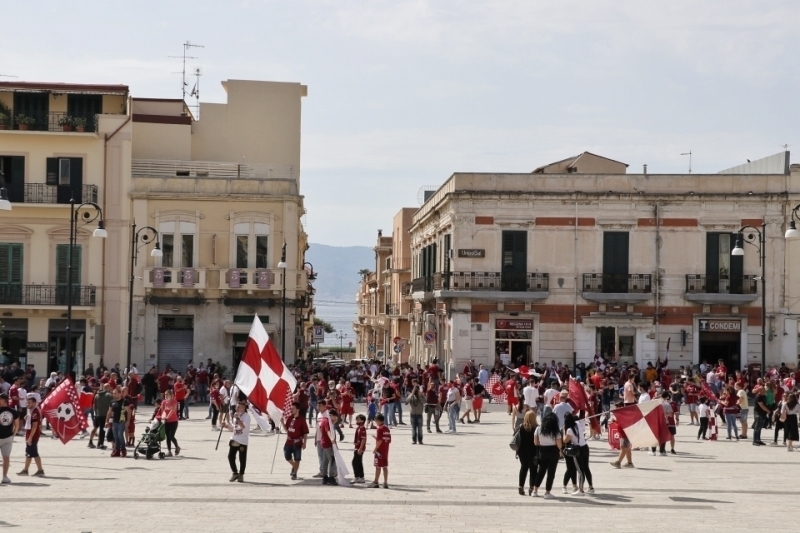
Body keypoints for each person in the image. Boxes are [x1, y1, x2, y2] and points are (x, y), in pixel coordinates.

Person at [533, 412, 562, 498]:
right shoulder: (556, 431)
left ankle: (535, 490)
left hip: (543, 451)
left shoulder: (538, 429)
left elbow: (536, 442)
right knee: (551, 472)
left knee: (541, 471)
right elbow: (559, 445)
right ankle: (547, 492)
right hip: (553, 451)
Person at [563, 412, 594, 495]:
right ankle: (590, 487)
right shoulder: (578, 424)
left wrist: (563, 432)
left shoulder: (569, 430)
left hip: (578, 450)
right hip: (585, 447)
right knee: (586, 467)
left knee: (580, 470)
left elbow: (565, 440)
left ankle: (581, 489)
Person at [17, 394, 44, 477]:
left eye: (29, 403)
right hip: (30, 435)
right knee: (29, 454)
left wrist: (30, 438)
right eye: (27, 402)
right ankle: (25, 470)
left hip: (33, 436)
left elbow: (35, 426)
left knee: (34, 453)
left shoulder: (35, 412)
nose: (28, 404)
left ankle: (40, 470)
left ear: (34, 403)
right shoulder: (32, 411)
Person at [224, 401, 250, 482]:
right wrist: (226, 426)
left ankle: (241, 474)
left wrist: (238, 418)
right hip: (234, 439)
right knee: (230, 456)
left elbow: (243, 427)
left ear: (244, 408)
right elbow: (234, 428)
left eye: (239, 407)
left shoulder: (246, 417)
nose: (237, 408)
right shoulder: (235, 415)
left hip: (242, 441)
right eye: (236, 407)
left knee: (242, 458)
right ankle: (235, 472)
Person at [283, 402, 309, 480]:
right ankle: (294, 466)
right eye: (291, 408)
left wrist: (304, 443)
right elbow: (286, 429)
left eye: (293, 409)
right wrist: (281, 422)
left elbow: (305, 433)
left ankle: (294, 473)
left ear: (298, 410)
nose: (291, 410)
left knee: (297, 458)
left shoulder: (302, 420)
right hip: (288, 442)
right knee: (287, 456)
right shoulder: (290, 418)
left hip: (297, 443)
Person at [516, 410, 538, 496]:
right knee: (533, 470)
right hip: (533, 451)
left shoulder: (521, 427)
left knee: (523, 468)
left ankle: (520, 486)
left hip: (522, 451)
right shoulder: (536, 428)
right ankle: (531, 488)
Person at [0, 393, 21, 483]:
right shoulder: (13, 411)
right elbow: (17, 425)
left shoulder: (13, 411)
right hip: (8, 437)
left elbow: (17, 425)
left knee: (6, 458)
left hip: (6, 438)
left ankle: (5, 476)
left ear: (3, 400)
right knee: (6, 458)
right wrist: (13, 434)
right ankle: (5, 476)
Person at [369, 413, 391, 489]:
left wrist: (375, 449)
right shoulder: (387, 428)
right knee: (384, 466)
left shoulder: (379, 429)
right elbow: (388, 440)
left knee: (377, 466)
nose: (376, 423)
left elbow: (380, 440)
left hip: (379, 451)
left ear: (378, 420)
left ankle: (375, 482)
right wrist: (376, 438)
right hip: (385, 450)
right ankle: (385, 482)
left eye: (376, 421)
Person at [319, 408, 339, 485]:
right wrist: (331, 439)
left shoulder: (325, 420)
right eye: (335, 417)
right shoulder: (327, 421)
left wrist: (334, 422)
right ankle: (331, 477)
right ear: (331, 415)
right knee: (332, 459)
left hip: (325, 443)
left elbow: (322, 429)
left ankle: (325, 477)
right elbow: (328, 431)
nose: (335, 419)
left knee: (326, 461)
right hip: (327, 444)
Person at [107, 387, 128, 458]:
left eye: (115, 393)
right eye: (113, 393)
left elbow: (128, 412)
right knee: (115, 436)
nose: (114, 395)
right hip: (114, 421)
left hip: (122, 421)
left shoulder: (124, 401)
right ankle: (117, 450)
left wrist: (128, 421)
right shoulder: (112, 402)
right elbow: (109, 412)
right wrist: (107, 421)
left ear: (120, 394)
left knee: (120, 435)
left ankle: (123, 449)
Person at [160, 389, 180, 456]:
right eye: (165, 394)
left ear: (171, 395)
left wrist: (167, 417)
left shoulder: (174, 402)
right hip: (166, 422)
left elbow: (172, 410)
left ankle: (177, 446)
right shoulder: (164, 402)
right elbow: (162, 410)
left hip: (174, 421)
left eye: (167, 394)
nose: (166, 396)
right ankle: (169, 451)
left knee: (171, 436)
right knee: (167, 437)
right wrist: (162, 417)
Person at [350, 414, 367, 484]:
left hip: (360, 448)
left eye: (358, 419)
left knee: (355, 462)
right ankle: (360, 477)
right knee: (358, 462)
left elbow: (363, 439)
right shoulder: (358, 428)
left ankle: (357, 476)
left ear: (362, 421)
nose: (357, 421)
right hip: (357, 447)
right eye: (357, 419)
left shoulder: (362, 428)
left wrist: (360, 448)